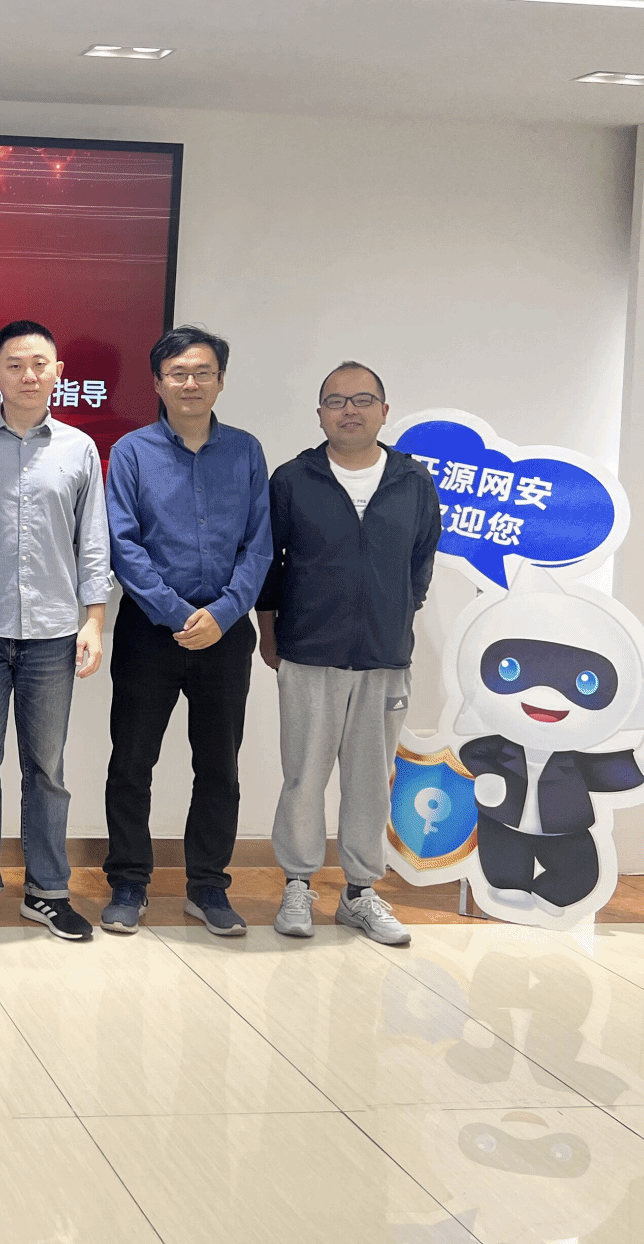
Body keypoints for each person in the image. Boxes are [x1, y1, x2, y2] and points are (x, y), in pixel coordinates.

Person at [258, 362, 441, 946]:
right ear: (320, 415)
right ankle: (297, 884)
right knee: (303, 777)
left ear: (384, 411)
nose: (349, 410)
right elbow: (269, 563)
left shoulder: (413, 481)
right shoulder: (293, 479)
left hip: (384, 657)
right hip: (309, 652)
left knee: (370, 782)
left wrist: (396, 613)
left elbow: (421, 561)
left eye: (363, 400)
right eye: (336, 401)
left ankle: (360, 892)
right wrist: (269, 631)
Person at [0, 321, 111, 942]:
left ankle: (47, 892)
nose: (28, 375)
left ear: (58, 373)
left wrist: (94, 620)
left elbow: (93, 540)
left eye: (40, 364)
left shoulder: (79, 448)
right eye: (14, 365)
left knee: (47, 768)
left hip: (53, 634)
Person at [102, 324, 272, 937]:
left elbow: (259, 545)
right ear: (158, 383)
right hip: (151, 631)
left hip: (226, 633)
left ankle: (207, 886)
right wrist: (177, 614)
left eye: (203, 372)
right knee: (132, 762)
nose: (191, 383)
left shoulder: (246, 452)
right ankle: (128, 882)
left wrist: (223, 614)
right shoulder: (131, 452)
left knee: (219, 765)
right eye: (178, 373)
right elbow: (122, 544)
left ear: (220, 381)